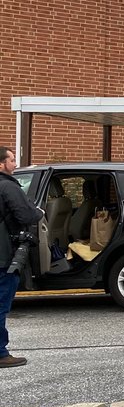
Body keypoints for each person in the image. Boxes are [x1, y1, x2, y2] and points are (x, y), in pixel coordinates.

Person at [0, 146, 41, 368]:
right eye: (12, 160)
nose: (15, 164)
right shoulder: (8, 186)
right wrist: (39, 213)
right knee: (1, 305)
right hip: (5, 256)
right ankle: (0, 353)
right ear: (1, 164)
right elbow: (26, 214)